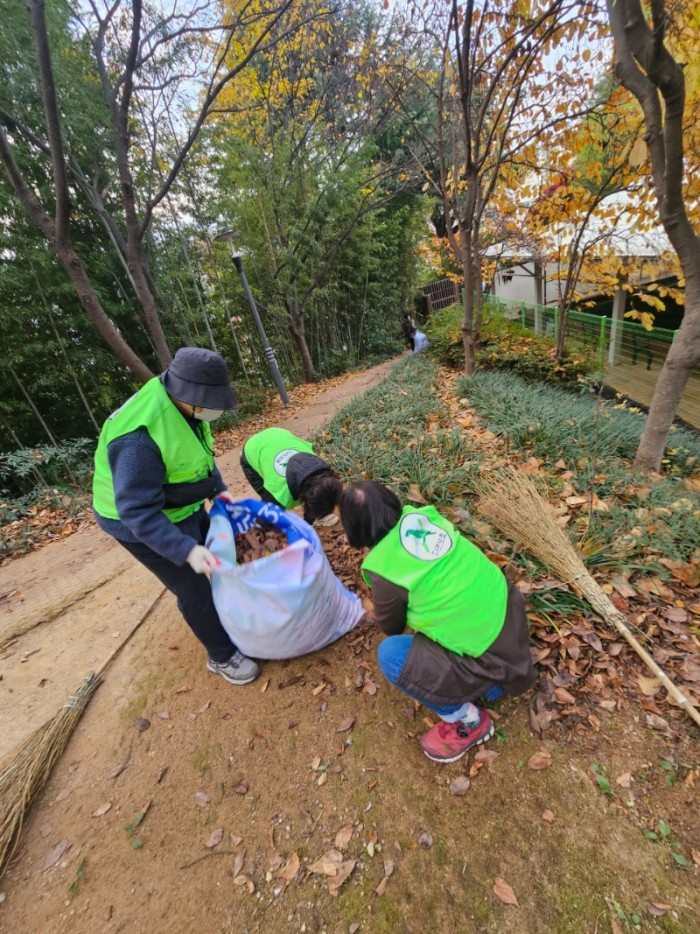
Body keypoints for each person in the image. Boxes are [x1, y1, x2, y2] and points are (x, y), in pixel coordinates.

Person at [92, 347, 260, 686]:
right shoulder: (138, 440)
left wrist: (219, 490)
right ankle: (222, 656)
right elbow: (137, 510)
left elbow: (199, 457)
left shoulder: (188, 412)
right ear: (190, 397)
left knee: (211, 548)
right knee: (192, 586)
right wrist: (184, 551)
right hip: (135, 519)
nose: (216, 411)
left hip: (179, 500)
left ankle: (226, 613)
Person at [339, 481, 535, 763]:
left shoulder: (385, 571)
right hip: (510, 622)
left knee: (391, 655)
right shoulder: (424, 518)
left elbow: (391, 627)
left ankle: (468, 721)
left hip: (488, 654)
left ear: (354, 528)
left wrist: (377, 611)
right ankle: (492, 685)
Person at [240, 427, 342, 524]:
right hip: (251, 449)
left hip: (277, 434)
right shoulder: (280, 491)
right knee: (273, 505)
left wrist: (309, 521)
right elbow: (265, 511)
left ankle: (319, 514)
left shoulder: (318, 464)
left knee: (320, 494)